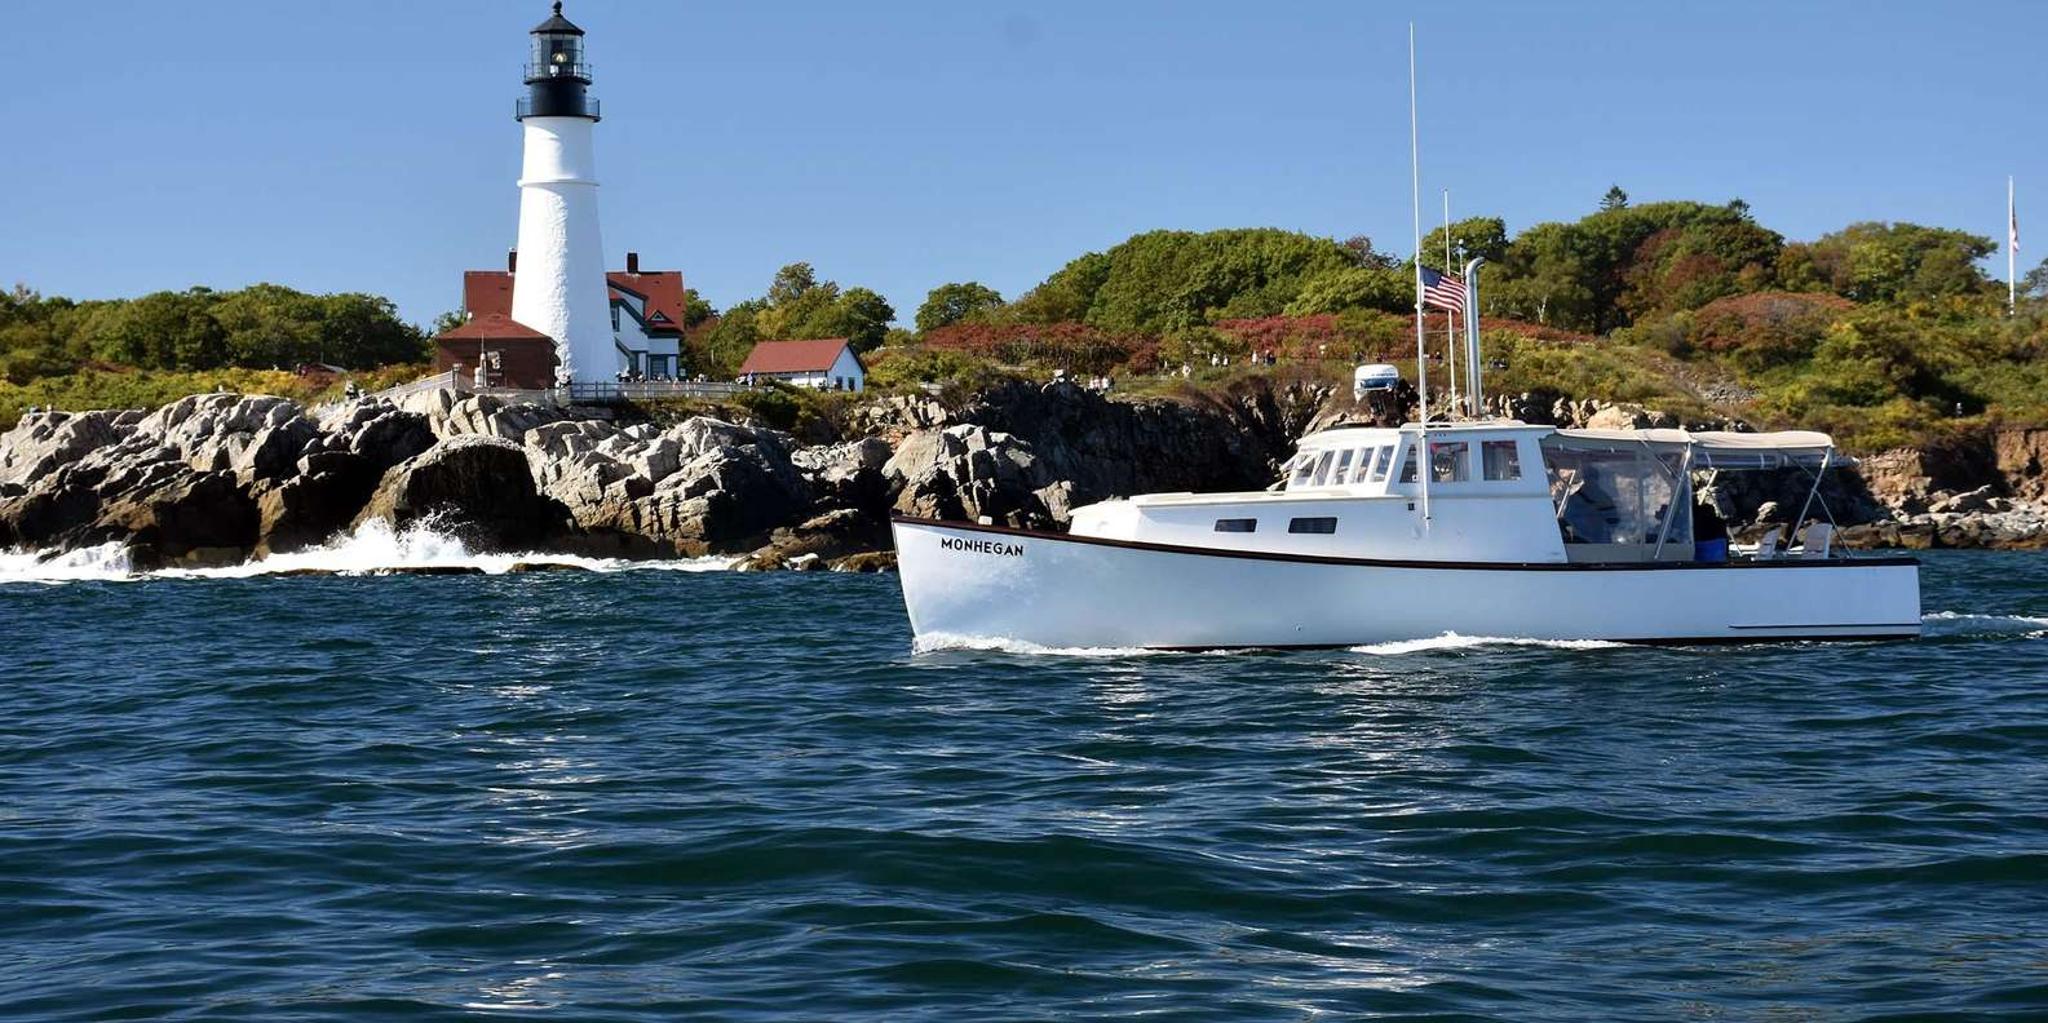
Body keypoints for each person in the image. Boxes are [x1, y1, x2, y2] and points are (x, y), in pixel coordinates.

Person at [1559, 465, 1621, 543]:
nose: (1590, 481)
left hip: (1594, 541)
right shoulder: (1603, 497)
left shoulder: (1601, 497)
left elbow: (1613, 519)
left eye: (1591, 478)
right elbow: (1567, 518)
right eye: (1588, 478)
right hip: (1584, 542)